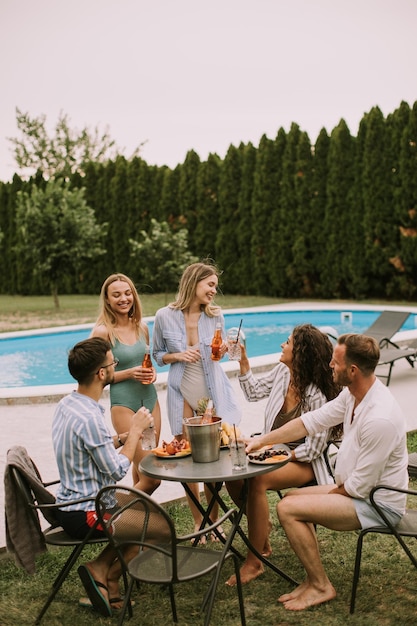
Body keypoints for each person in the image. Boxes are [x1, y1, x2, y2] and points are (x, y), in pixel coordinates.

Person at [246, 333, 409, 611]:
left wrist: (329, 494)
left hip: (377, 502)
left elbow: (359, 487)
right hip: (356, 489)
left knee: (288, 508)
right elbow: (311, 421)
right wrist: (261, 440)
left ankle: (321, 585)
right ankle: (312, 580)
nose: (329, 366)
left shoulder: (380, 417)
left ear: (353, 370)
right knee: (296, 497)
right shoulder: (353, 395)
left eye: (335, 362)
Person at [225, 324, 341, 586]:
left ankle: (255, 562)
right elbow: (253, 391)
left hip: (305, 461)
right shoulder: (282, 371)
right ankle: (261, 526)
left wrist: (272, 454)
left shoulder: (317, 395)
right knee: (234, 471)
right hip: (274, 451)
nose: (282, 345)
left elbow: (313, 449)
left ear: (299, 353)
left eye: (287, 342)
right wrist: (243, 360)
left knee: (257, 479)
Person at [52, 337, 154, 616]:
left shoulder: (68, 405)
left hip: (72, 503)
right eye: (113, 363)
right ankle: (100, 568)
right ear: (101, 373)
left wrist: (119, 439)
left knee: (144, 513)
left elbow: (90, 448)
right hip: (88, 510)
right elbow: (117, 470)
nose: (115, 367)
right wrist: (134, 431)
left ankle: (110, 584)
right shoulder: (90, 418)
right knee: (156, 529)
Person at [152, 261, 242, 538]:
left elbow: (218, 356)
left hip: (211, 392)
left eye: (216, 285)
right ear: (194, 282)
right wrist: (177, 355)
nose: (214, 290)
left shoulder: (216, 317)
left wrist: (225, 350)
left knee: (212, 459)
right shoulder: (163, 316)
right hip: (181, 392)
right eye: (210, 284)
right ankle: (198, 523)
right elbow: (157, 355)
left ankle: (213, 523)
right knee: (187, 459)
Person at [91, 273, 160, 493]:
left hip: (151, 400)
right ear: (108, 300)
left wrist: (152, 373)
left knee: (141, 469)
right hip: (124, 406)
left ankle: (139, 522)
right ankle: (121, 518)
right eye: (117, 294)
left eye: (128, 293)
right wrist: (129, 373)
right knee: (152, 477)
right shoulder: (103, 332)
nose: (124, 298)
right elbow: (95, 375)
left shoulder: (143, 327)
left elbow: (145, 362)